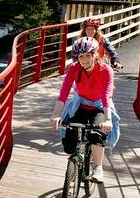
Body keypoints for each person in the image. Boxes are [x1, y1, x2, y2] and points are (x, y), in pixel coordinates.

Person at [50, 37, 120, 183]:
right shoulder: (75, 68)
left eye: (88, 55)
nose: (84, 59)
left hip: (100, 105)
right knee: (69, 141)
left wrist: (107, 120)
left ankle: (98, 168)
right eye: (81, 56)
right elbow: (64, 92)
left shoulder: (105, 70)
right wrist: (56, 114)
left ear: (95, 54)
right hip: (80, 104)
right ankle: (77, 158)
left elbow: (107, 95)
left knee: (97, 133)